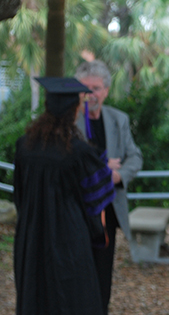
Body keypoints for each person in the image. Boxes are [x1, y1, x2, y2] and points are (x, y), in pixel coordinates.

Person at [13, 77, 116, 314]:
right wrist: (97, 232)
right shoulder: (79, 152)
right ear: (73, 111)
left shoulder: (23, 146)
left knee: (34, 293)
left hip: (31, 236)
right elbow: (99, 197)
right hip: (68, 238)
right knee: (72, 297)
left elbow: (19, 194)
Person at [75, 60, 143, 314]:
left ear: (106, 90)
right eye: (85, 88)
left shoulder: (118, 119)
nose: (90, 94)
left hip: (109, 210)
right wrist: (105, 166)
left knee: (103, 272)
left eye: (96, 88)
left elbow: (135, 157)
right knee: (78, 270)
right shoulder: (70, 120)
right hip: (79, 210)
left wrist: (117, 176)